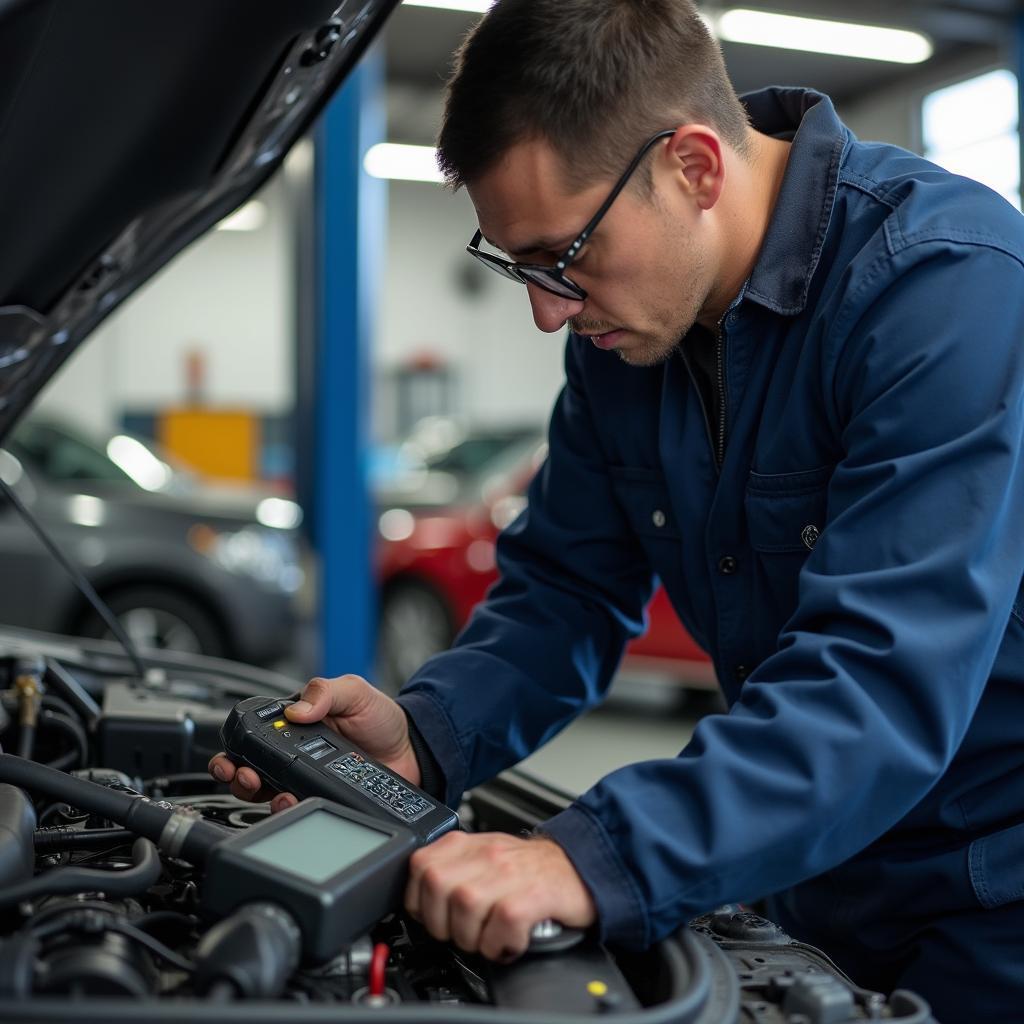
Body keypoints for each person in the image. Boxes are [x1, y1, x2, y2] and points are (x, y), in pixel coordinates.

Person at [211, 1, 1024, 1017]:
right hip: (796, 865)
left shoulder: (943, 285)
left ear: (693, 167)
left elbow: (885, 670)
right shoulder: (625, 343)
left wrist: (594, 858)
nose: (547, 309)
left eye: (564, 255)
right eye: (517, 265)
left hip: (990, 893)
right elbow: (565, 588)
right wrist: (423, 738)